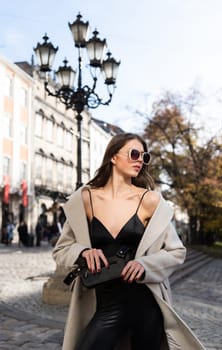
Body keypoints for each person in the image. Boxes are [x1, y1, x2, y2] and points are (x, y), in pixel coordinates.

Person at [53, 132, 206, 350]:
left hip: (146, 305)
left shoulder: (150, 200)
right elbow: (62, 249)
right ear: (113, 157)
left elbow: (176, 251)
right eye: (134, 153)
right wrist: (83, 252)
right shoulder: (85, 199)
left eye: (144, 157)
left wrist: (144, 265)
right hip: (106, 306)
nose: (139, 161)